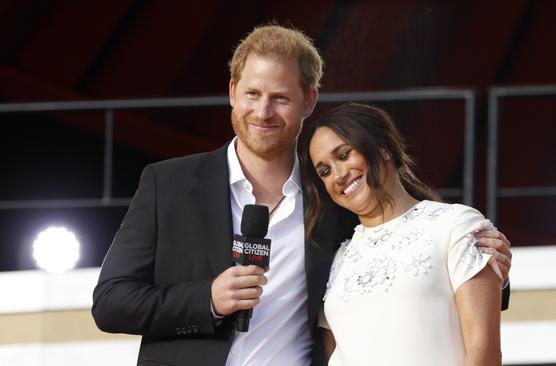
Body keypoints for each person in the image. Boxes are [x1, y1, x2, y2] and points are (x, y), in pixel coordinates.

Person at [92, 24, 512, 366]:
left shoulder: (332, 195)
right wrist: (208, 299)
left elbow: (404, 242)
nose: (263, 111)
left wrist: (488, 266)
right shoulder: (169, 184)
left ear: (309, 101)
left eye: (281, 98)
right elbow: (111, 303)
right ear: (233, 91)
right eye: (253, 94)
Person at [303, 103, 504, 366]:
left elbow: (484, 352)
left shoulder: (456, 225)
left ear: (383, 147)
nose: (338, 175)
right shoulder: (337, 258)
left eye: (344, 155)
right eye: (325, 172)